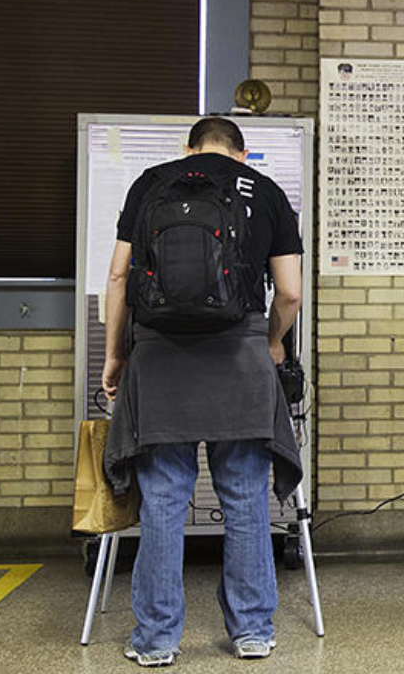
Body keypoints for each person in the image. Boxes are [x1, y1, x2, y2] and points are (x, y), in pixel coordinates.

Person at [101, 117, 304, 667]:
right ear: (242, 154)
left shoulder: (152, 182)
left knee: (164, 500)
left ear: (188, 149)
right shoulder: (263, 191)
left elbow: (118, 278)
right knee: (243, 498)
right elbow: (288, 292)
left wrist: (116, 353)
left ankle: (157, 639)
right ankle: (253, 632)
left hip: (160, 359)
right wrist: (270, 343)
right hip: (239, 359)